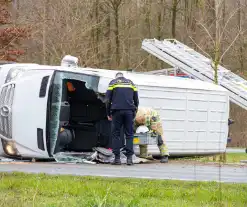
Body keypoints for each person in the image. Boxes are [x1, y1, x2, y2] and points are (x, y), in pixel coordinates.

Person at [105, 72, 139, 165]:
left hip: (116, 111)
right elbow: (136, 100)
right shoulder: (131, 83)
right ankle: (129, 159)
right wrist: (134, 112)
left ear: (116, 76)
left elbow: (107, 100)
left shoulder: (113, 83)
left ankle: (117, 159)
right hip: (129, 111)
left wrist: (108, 113)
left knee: (116, 134)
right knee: (129, 134)